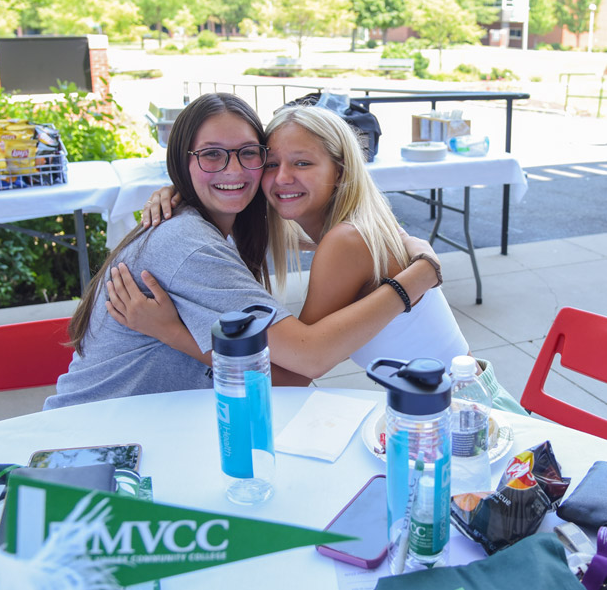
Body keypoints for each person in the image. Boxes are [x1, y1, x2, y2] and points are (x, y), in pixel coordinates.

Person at [44, 93, 440, 410]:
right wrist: (420, 274)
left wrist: (418, 264)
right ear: (183, 162)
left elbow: (302, 365)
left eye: (249, 153)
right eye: (212, 154)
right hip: (98, 438)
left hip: (442, 401)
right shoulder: (192, 245)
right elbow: (304, 364)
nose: (233, 170)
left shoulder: (339, 234)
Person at [130, 103, 526, 415]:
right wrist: (182, 190)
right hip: (458, 395)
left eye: (303, 163)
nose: (282, 177)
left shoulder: (345, 241)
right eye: (270, 164)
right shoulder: (357, 225)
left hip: (462, 412)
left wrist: (173, 333)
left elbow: (297, 373)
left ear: (339, 171)